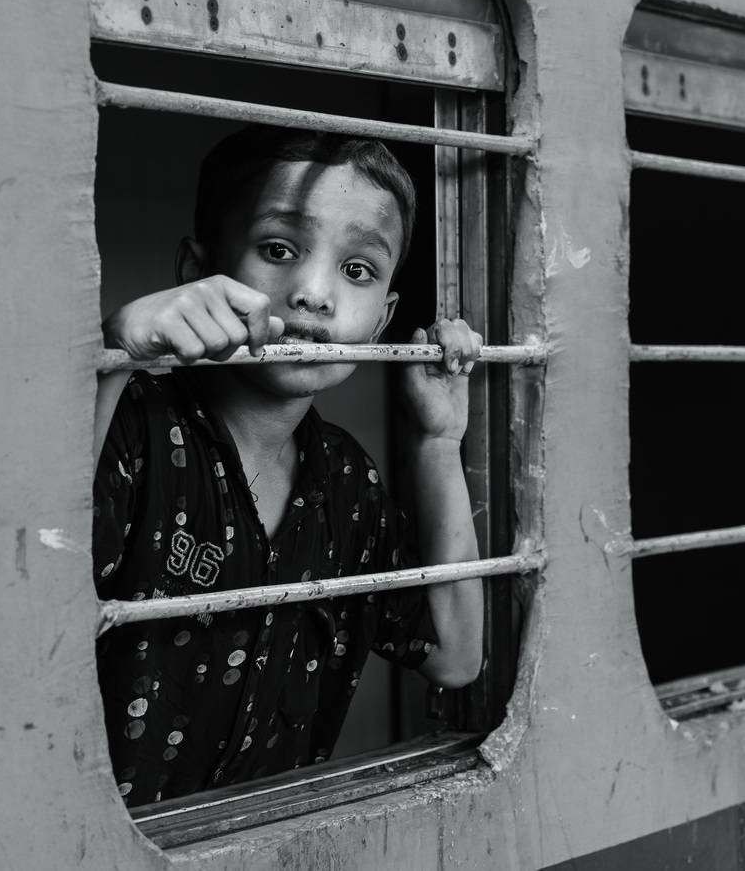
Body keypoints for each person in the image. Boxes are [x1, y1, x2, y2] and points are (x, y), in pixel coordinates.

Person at [91, 127, 483, 806]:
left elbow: (455, 655)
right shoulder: (132, 425)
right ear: (196, 271)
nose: (314, 293)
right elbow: (19, 607)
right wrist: (113, 355)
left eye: (357, 270)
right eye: (279, 249)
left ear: (382, 321)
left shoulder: (347, 483)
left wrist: (439, 442)